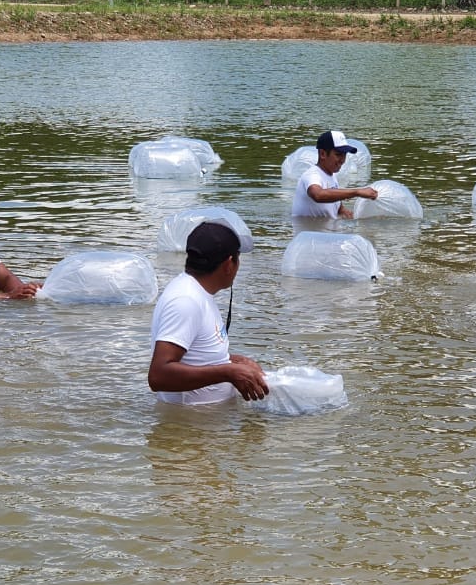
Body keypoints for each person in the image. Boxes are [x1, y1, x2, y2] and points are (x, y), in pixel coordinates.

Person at [148, 221, 268, 405]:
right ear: (229, 264)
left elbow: (196, 356)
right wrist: (228, 372)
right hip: (191, 426)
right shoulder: (186, 301)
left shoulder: (198, 293)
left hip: (209, 424)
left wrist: (233, 362)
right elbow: (159, 375)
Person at [292, 130, 378, 219]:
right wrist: (357, 192)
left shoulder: (332, 177)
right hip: (309, 232)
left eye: (344, 155)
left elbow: (337, 206)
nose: (342, 160)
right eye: (338, 154)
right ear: (323, 154)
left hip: (326, 231)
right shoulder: (312, 175)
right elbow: (318, 195)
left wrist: (344, 211)